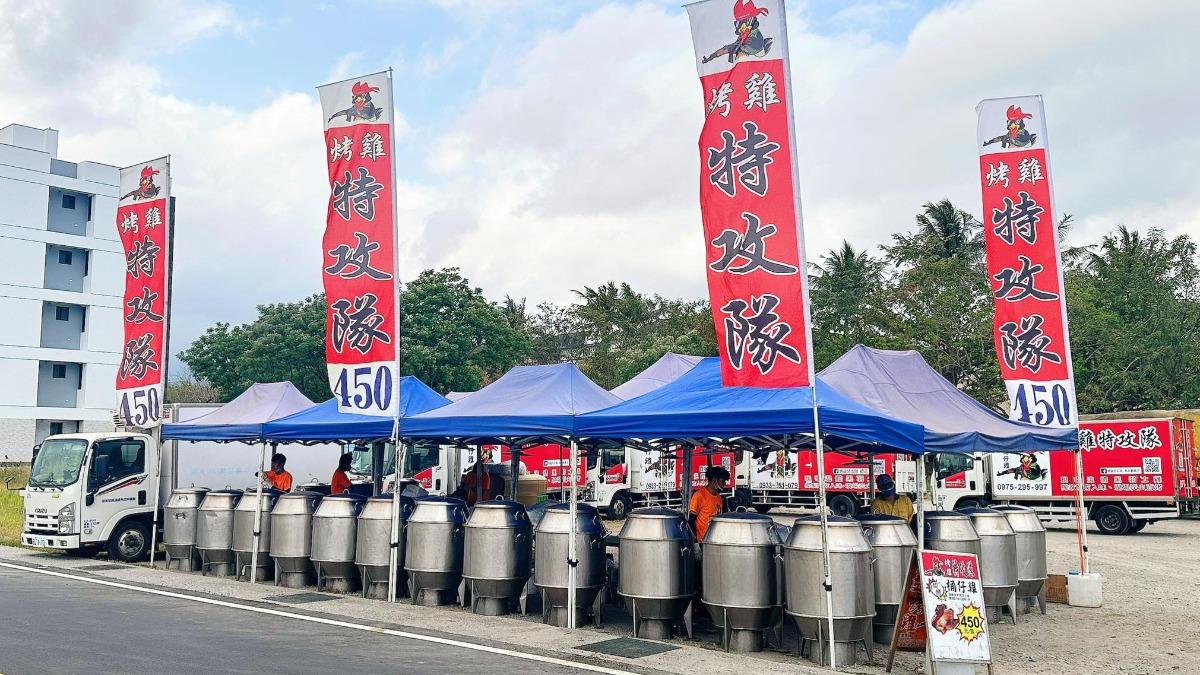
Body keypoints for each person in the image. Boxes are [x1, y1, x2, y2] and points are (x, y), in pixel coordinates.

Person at [689, 465, 730, 543]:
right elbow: (691, 520)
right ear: (714, 480)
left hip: (715, 540)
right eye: (722, 481)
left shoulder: (719, 498)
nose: (724, 484)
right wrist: (695, 542)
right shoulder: (699, 495)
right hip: (702, 541)